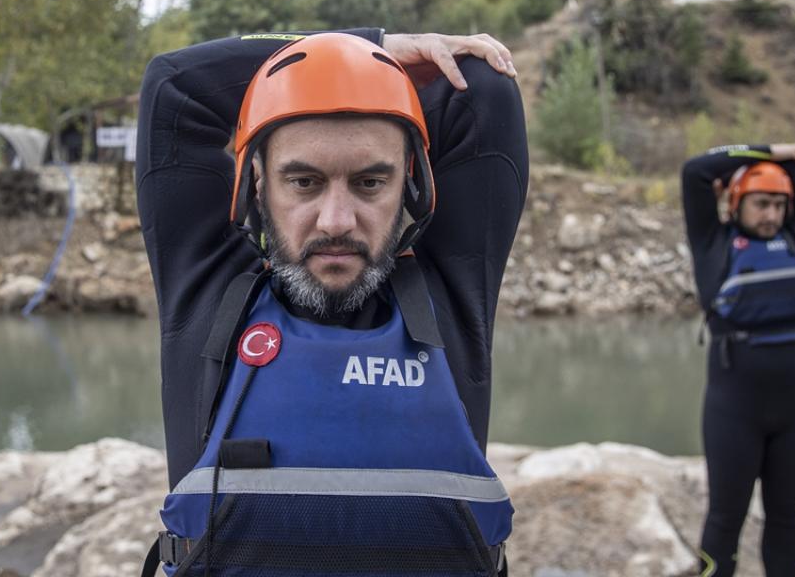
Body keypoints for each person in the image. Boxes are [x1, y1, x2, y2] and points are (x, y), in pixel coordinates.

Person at [136, 30, 528, 575]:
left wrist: (368, 64)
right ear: (257, 183)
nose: (336, 220)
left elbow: (483, 86)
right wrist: (372, 46)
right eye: (304, 182)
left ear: (410, 182)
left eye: (369, 183)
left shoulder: (450, 298)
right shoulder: (207, 295)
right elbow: (174, 86)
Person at [680, 142, 795, 577]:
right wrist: (766, 151)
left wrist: (777, 167)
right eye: (761, 204)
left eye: (779, 205)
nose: (772, 215)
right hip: (735, 415)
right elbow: (696, 170)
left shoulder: (788, 236)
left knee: (785, 519)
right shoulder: (713, 244)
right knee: (726, 520)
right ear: (735, 202)